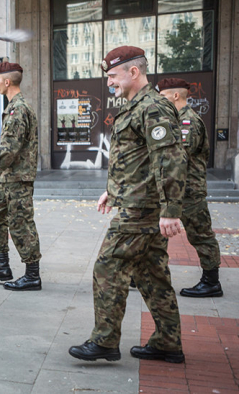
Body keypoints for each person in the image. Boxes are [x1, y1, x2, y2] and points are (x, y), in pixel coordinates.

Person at [69, 46, 188, 364]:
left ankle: (105, 341)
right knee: (152, 275)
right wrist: (114, 191)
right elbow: (139, 160)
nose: (109, 83)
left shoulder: (154, 108)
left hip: (141, 212)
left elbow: (169, 159)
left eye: (112, 76)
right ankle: (167, 342)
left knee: (108, 268)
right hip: (138, 204)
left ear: (133, 72)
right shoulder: (138, 107)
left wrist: (171, 210)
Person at [0, 62, 42, 291]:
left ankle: (33, 275)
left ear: (7, 82)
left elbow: (10, 148)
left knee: (21, 224)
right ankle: (2, 266)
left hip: (18, 178)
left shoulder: (19, 109)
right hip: (9, 178)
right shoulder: (13, 107)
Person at [158, 78, 223, 297]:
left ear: (176, 96)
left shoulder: (188, 122)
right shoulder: (174, 120)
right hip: (173, 191)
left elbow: (177, 158)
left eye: (163, 96)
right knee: (156, 234)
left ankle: (211, 281)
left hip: (189, 192)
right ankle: (150, 275)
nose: (160, 101)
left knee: (200, 235)